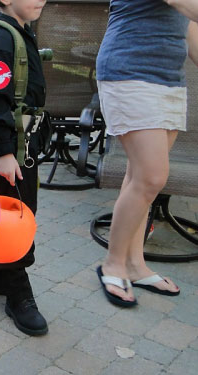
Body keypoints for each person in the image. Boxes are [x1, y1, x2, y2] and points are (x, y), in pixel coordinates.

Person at [96, 0, 198, 307]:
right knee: (152, 177)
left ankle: (135, 264)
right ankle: (112, 264)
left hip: (168, 79)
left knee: (140, 177)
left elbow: (189, 28)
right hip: (130, 72)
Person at [0, 0, 48, 336]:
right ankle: (17, 291)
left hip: (19, 144)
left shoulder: (20, 32)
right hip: (10, 149)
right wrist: (4, 151)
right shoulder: (4, 38)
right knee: (17, 214)